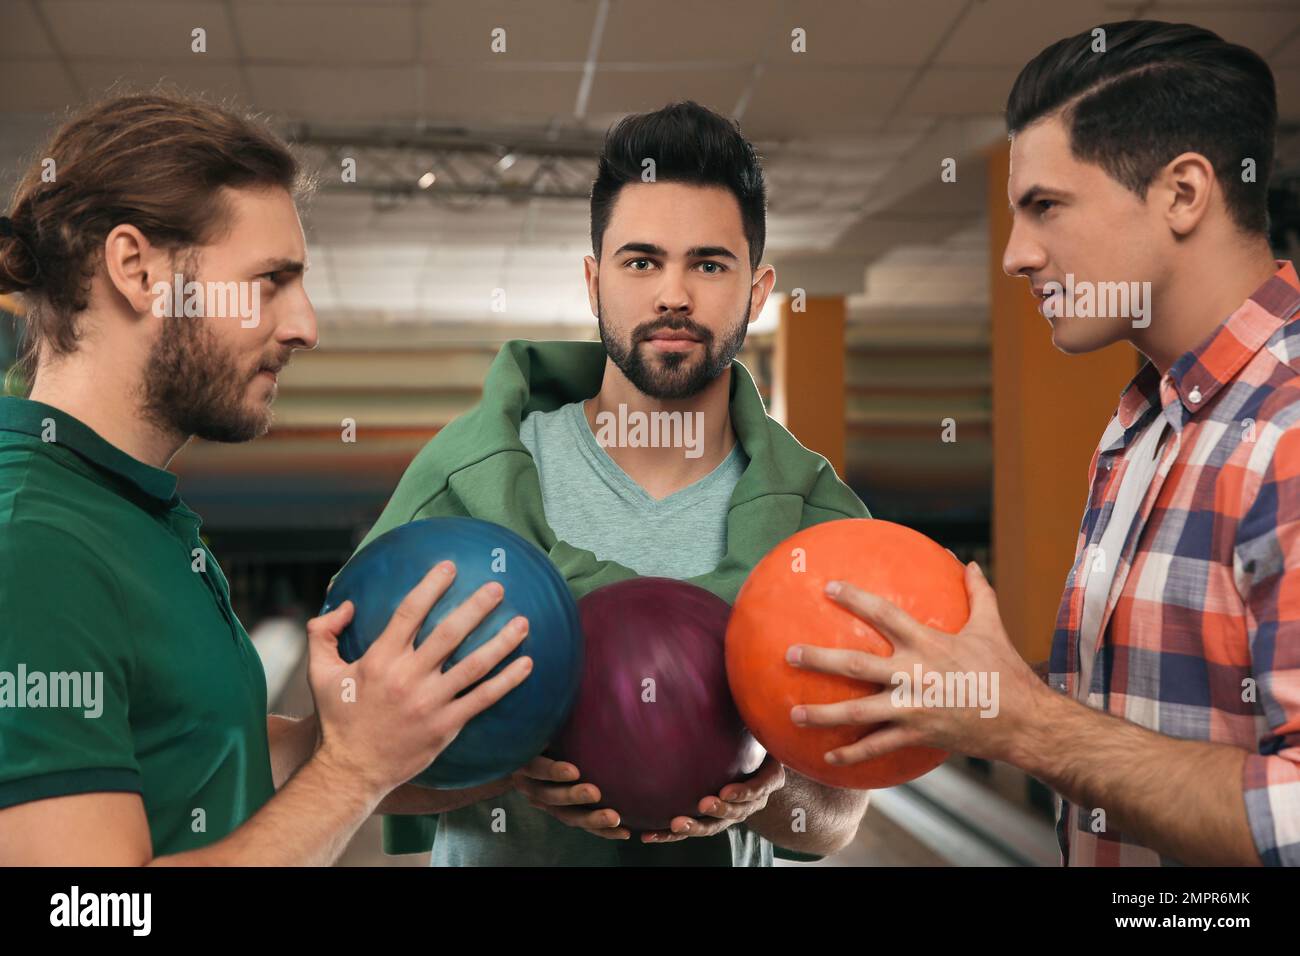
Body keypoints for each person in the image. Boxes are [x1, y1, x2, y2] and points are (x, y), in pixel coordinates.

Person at [786, 20, 1298, 866]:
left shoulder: (1286, 429)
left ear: (1182, 193)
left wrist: (1022, 722)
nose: (1017, 256)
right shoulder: (1142, 422)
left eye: (1047, 207)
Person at [0, 91, 533, 865]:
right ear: (137, 270)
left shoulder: (133, 512)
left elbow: (214, 756)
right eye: (269, 282)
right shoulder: (35, 543)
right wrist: (354, 771)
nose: (305, 325)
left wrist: (486, 756)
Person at [359, 101, 872, 866]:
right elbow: (356, 763)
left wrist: (764, 792)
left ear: (757, 293)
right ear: (594, 283)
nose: (673, 294)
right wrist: (507, 761)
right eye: (642, 262)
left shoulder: (819, 524)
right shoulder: (470, 482)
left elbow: (837, 819)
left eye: (708, 264)